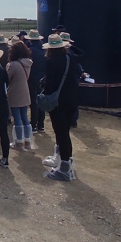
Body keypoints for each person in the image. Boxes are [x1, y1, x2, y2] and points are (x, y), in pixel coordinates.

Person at [41, 34, 80, 181]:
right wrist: (70, 45)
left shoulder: (51, 62)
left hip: (58, 102)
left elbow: (50, 85)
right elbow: (82, 53)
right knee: (65, 132)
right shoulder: (72, 58)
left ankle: (64, 168)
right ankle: (63, 161)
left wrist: (44, 91)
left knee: (61, 133)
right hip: (72, 100)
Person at [7, 41, 36, 150]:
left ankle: (19, 141)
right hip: (25, 91)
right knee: (25, 117)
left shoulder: (14, 64)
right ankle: (27, 141)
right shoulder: (28, 63)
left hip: (15, 92)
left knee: (17, 117)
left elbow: (7, 77)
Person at [23, 30, 47, 133]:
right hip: (42, 78)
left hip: (32, 78)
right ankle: (41, 125)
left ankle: (33, 124)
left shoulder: (30, 51)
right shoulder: (44, 50)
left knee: (33, 102)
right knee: (41, 101)